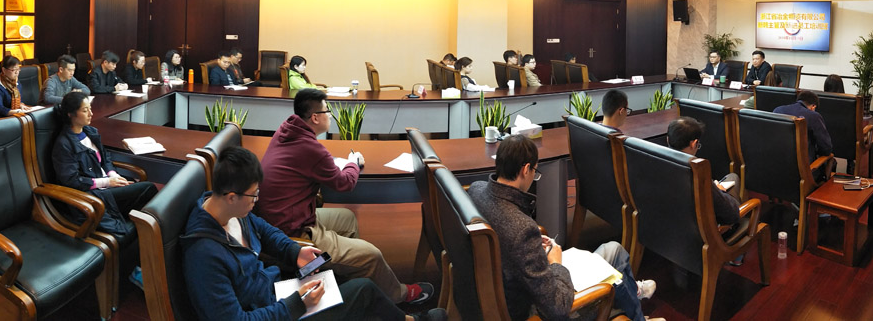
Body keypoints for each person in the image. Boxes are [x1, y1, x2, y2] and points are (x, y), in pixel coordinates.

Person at [182, 146, 446, 321]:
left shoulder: (229, 211)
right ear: (231, 196)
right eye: (254, 195)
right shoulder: (204, 256)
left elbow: (265, 230)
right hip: (274, 309)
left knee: (337, 274)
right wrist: (296, 304)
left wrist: (294, 251)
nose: (257, 200)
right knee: (362, 289)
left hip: (277, 291)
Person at [254, 88, 434, 305]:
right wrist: (353, 163)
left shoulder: (288, 131)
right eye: (327, 111)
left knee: (346, 218)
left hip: (280, 219)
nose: (330, 115)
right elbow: (345, 183)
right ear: (315, 117)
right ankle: (400, 295)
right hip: (291, 233)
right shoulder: (310, 148)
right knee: (372, 255)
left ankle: (351, 280)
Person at [467, 135, 659, 321]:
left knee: (614, 255)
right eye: (535, 171)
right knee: (616, 257)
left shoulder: (476, 190)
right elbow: (558, 308)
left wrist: (532, 248)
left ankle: (633, 293)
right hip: (534, 308)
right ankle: (636, 307)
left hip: (503, 290)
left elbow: (508, 241)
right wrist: (556, 263)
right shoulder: (522, 230)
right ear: (526, 169)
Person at [51, 91, 158, 287]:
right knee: (148, 189)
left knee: (144, 196)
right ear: (70, 114)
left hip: (108, 186)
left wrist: (112, 174)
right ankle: (140, 265)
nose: (91, 113)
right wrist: (107, 182)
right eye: (85, 110)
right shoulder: (63, 145)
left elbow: (105, 158)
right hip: (93, 196)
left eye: (90, 108)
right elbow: (72, 181)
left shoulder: (90, 132)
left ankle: (148, 257)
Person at [667, 117, 740, 227]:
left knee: (731, 177)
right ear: (694, 144)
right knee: (734, 178)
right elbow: (732, 215)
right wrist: (720, 191)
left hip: (671, 227)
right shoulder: (697, 174)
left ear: (668, 139)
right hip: (706, 232)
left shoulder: (655, 162)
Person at [773, 91, 834, 182]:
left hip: (777, 167)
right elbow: (826, 148)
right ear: (813, 106)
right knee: (831, 160)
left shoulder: (778, 110)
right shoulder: (814, 116)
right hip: (803, 174)